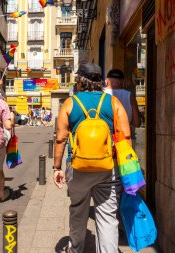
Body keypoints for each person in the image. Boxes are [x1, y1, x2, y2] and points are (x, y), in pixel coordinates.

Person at [53, 63, 131, 253]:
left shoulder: (70, 103)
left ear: (80, 81)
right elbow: (126, 136)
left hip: (77, 167)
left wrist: (56, 168)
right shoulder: (113, 102)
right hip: (107, 169)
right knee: (107, 217)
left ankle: (76, 249)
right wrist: (126, 169)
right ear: (101, 82)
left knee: (78, 210)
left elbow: (61, 138)